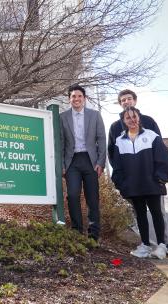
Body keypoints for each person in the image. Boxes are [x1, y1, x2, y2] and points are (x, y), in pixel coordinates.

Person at [107, 89, 168, 258]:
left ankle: (163, 245)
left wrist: (160, 177)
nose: (131, 120)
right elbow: (114, 160)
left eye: (129, 98)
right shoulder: (118, 138)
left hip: (152, 183)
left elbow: (163, 156)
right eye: (123, 100)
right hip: (133, 185)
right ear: (123, 119)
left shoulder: (151, 133)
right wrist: (121, 182)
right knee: (140, 215)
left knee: (157, 213)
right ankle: (145, 245)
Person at [59, 84, 106, 241]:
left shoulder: (94, 115)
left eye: (79, 96)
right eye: (73, 96)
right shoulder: (62, 117)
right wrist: (62, 165)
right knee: (72, 195)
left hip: (90, 160)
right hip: (72, 161)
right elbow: (60, 142)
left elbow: (101, 139)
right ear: (69, 99)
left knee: (92, 198)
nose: (76, 99)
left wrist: (101, 162)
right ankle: (77, 231)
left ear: (84, 99)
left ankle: (93, 234)